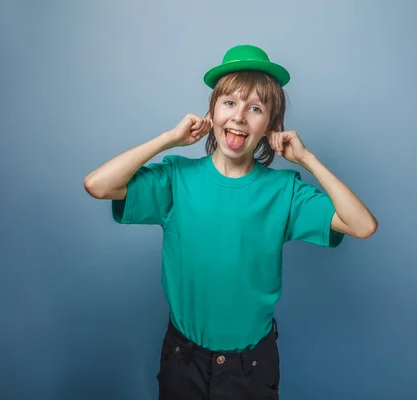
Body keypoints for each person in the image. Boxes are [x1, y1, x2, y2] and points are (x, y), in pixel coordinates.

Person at [84, 44, 377, 400]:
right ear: (212, 112)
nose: (239, 117)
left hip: (251, 366)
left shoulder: (283, 191)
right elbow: (97, 185)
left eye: (255, 108)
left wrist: (308, 159)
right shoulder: (177, 179)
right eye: (230, 103)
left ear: (271, 125)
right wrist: (169, 140)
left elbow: (362, 225)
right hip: (183, 357)